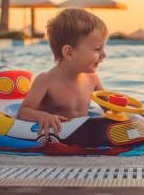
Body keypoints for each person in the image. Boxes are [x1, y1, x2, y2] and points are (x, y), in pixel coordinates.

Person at [18, 9, 108, 140]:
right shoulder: (46, 80)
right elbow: (24, 111)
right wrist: (43, 116)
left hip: (82, 138)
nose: (104, 55)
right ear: (69, 52)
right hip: (55, 140)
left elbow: (109, 107)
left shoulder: (92, 80)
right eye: (97, 49)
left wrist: (132, 113)